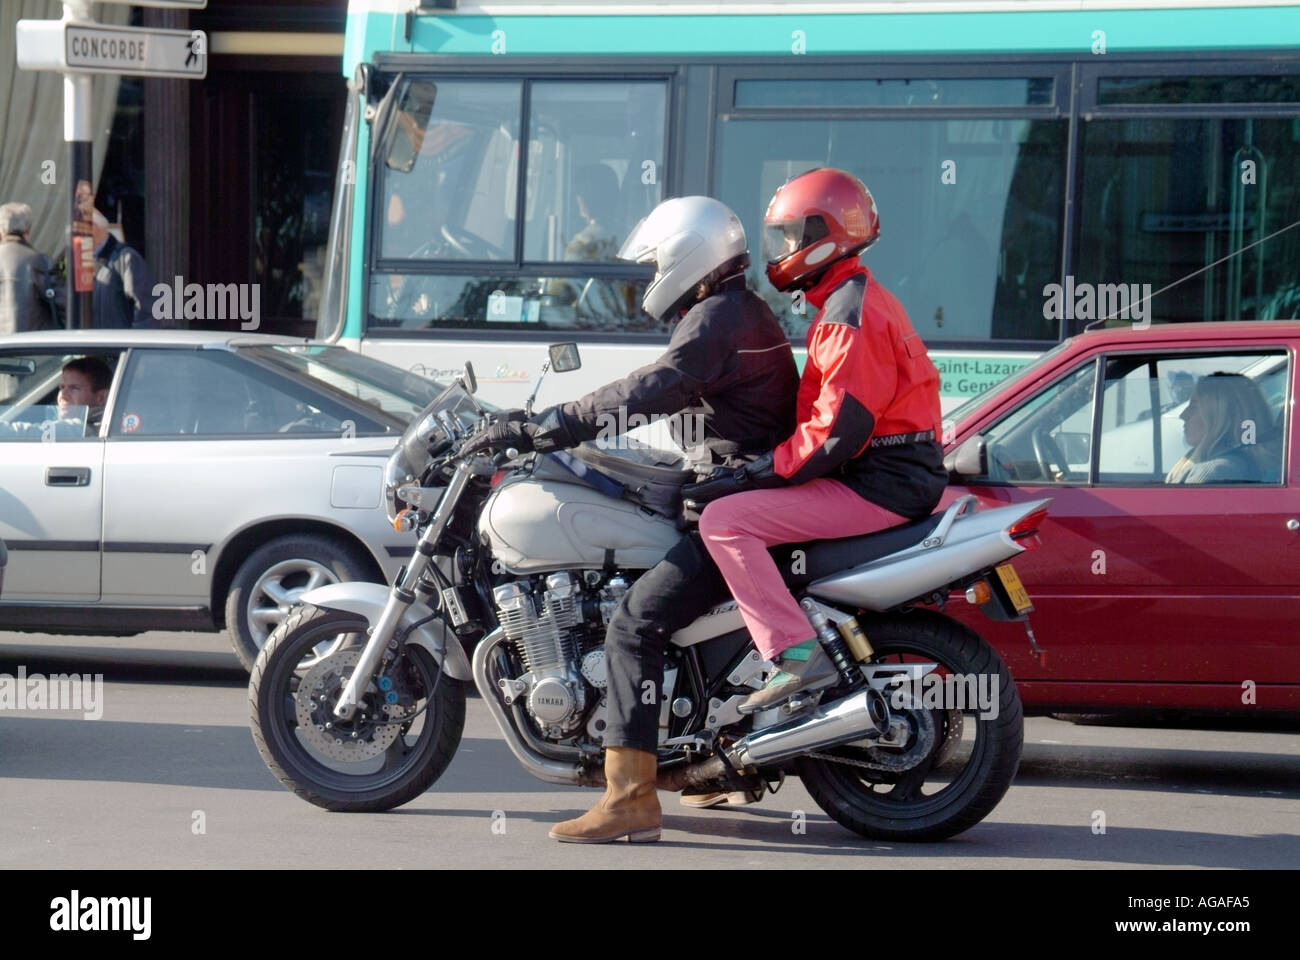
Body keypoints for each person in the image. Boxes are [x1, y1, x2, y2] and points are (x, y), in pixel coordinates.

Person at [462, 196, 799, 843]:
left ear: (686, 256)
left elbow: (646, 390)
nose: (650, 282)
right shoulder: (738, 310)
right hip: (740, 490)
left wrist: (543, 426)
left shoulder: (715, 321)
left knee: (634, 626)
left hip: (733, 503)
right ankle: (708, 765)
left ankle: (630, 798)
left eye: (655, 266)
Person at [684, 167, 949, 713]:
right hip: (893, 474)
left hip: (879, 482)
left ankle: (796, 656)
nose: (781, 251)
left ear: (823, 236)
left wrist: (752, 475)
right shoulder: (853, 298)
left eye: (789, 237)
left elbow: (834, 434)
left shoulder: (848, 314)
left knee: (725, 521)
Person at [1165, 372, 1275, 484]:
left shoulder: (1214, 473)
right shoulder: (1239, 465)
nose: (1183, 415)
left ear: (1222, 416)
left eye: (1194, 406)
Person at [0, 356, 112, 439]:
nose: (63, 395)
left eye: (74, 388)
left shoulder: (86, 428)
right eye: (62, 387)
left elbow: (31, 433)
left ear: (100, 398)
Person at [91, 210, 155, 329]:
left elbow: (144, 308)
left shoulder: (126, 258)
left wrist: (134, 343)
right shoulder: (86, 262)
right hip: (97, 343)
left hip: (120, 344)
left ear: (92, 228)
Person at [0, 202, 54, 335]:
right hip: (31, 347)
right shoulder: (39, 261)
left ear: (1, 231)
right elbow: (64, 303)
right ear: (28, 230)